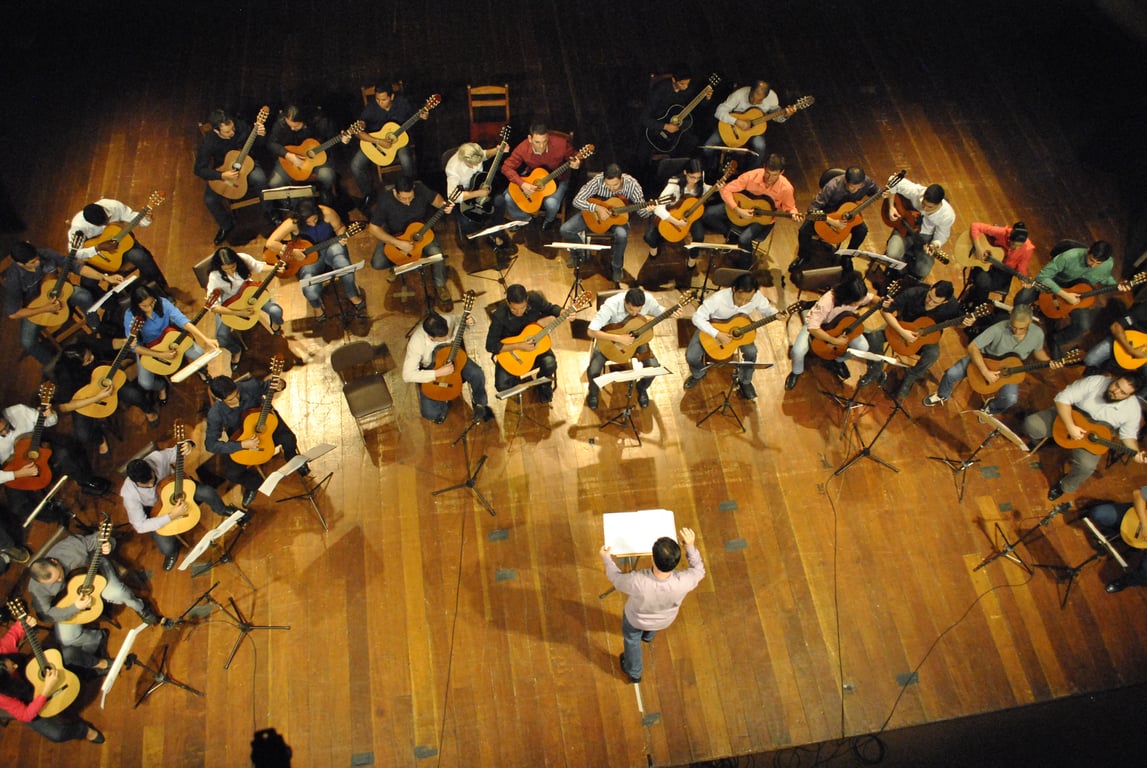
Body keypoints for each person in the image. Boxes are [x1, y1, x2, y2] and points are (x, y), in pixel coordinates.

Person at [28, 530, 163, 669]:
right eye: (54, 582)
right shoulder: (36, 588)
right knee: (66, 639)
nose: (60, 580)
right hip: (74, 601)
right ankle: (97, 637)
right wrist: (75, 607)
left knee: (117, 592)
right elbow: (46, 615)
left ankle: (141, 607)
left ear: (54, 561)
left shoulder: (71, 546)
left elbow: (102, 538)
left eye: (59, 575)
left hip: (97, 573)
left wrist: (109, 544)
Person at [599, 527, 705, 684]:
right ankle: (647, 637)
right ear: (676, 562)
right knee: (649, 630)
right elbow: (699, 570)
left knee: (632, 640)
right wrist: (690, 546)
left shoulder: (638, 581)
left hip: (636, 620)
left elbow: (616, 579)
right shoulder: (685, 581)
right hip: (664, 620)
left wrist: (607, 559)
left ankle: (634, 672)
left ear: (653, 559)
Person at [1023, 372, 1146, 500]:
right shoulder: (1095, 381)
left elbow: (1128, 435)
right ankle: (1044, 441)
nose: (1115, 392)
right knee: (1031, 425)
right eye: (1116, 385)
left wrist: (1135, 453)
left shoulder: (1133, 409)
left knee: (1086, 467)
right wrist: (1070, 426)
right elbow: (1062, 398)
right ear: (1115, 378)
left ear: (1130, 396)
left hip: (1094, 437)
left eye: (1123, 393)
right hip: (1070, 417)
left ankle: (1064, 486)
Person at [122, 442, 240, 570]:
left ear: (151, 468)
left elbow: (179, 450)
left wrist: (189, 444)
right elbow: (140, 526)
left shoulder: (157, 458)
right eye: (146, 485)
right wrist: (171, 516)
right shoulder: (129, 494)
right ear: (135, 482)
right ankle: (173, 552)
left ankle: (222, 509)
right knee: (167, 548)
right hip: (158, 509)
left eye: (152, 479)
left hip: (179, 490)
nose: (151, 485)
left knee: (207, 492)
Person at [923, 304, 1054, 413]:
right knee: (952, 373)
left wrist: (1049, 361)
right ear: (1010, 318)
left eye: (1022, 328)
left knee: (1010, 399)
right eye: (1013, 326)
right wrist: (985, 372)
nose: (1016, 331)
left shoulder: (1037, 334)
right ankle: (942, 395)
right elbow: (973, 347)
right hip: (985, 360)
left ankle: (991, 408)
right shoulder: (998, 328)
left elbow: (1038, 352)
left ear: (1030, 322)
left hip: (1010, 369)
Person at [204, 374, 307, 509]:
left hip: (264, 423)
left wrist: (281, 384)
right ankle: (254, 484)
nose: (237, 400)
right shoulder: (215, 413)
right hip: (242, 437)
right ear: (218, 399)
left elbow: (272, 385)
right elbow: (210, 445)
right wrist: (241, 444)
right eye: (231, 400)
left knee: (289, 439)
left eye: (237, 394)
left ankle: (292, 457)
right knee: (232, 474)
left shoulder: (250, 386)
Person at [1, 399, 110, 525]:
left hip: (39, 448)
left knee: (65, 454)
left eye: (6, 427)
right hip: (15, 468)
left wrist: (51, 415)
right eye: (1, 433)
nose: (6, 432)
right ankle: (56, 515)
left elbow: (50, 421)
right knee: (18, 507)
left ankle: (86, 482)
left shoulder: (19, 410)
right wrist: (18, 474)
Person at [1, 616, 104, 743]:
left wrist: (24, 622)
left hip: (32, 668)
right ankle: (85, 731)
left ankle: (98, 664)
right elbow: (25, 715)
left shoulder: (2, 652)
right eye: (12, 669)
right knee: (57, 735)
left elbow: (14, 632)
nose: (15, 666)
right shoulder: (3, 696)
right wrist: (46, 690)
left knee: (69, 653)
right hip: (27, 698)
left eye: (12, 662)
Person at [857, 280, 965, 401]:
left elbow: (959, 323)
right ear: (930, 288)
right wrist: (902, 332)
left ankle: (910, 377)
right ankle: (875, 371)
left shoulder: (952, 306)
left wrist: (965, 324)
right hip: (901, 327)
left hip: (925, 337)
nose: (929, 302)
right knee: (874, 336)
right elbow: (886, 311)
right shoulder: (913, 293)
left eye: (935, 302)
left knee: (933, 354)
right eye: (929, 297)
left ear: (945, 301)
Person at [53, 338, 160, 459]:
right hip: (86, 400)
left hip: (105, 379)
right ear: (78, 365)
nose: (93, 358)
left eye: (91, 355)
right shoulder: (64, 376)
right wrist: (97, 397)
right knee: (83, 434)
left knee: (133, 394)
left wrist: (125, 342)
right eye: (88, 360)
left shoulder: (86, 345)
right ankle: (100, 440)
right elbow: (64, 406)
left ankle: (149, 411)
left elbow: (110, 343)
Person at [1014, 240, 1118, 356]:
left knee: (1083, 326)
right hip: (1055, 285)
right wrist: (1064, 295)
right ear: (1088, 251)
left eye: (1098, 263)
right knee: (1022, 298)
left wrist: (1116, 285)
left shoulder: (1108, 264)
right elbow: (1043, 276)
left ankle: (1056, 339)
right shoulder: (1069, 256)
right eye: (1091, 260)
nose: (1092, 265)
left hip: (1078, 294)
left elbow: (1104, 277)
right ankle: (1015, 323)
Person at [4, 241, 99, 367]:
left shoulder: (46, 254)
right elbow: (13, 313)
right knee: (27, 343)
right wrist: (45, 308)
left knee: (84, 296)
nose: (37, 263)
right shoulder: (13, 278)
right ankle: (56, 367)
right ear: (20, 264)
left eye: (37, 258)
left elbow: (76, 267)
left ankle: (96, 330)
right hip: (36, 307)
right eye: (32, 262)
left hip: (60, 293)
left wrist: (103, 277)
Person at [266, 199, 366, 319]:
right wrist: (291, 251)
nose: (313, 224)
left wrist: (342, 235)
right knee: (309, 290)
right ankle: (317, 307)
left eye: (315, 220)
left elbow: (339, 228)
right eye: (308, 223)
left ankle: (352, 295)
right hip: (307, 258)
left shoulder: (327, 213)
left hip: (330, 247)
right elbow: (270, 243)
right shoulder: (292, 222)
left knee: (345, 266)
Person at [685, 273, 778, 400]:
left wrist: (777, 314)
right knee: (691, 356)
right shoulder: (717, 299)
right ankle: (698, 373)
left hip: (741, 330)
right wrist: (717, 334)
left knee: (752, 352)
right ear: (734, 289)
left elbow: (767, 311)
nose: (742, 303)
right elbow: (697, 317)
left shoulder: (757, 297)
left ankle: (745, 381)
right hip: (714, 328)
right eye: (740, 299)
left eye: (747, 301)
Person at [368, 176, 454, 308]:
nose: (408, 202)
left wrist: (444, 205)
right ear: (395, 192)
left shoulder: (420, 189)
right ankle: (397, 264)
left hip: (421, 232)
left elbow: (436, 199)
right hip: (396, 236)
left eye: (410, 198)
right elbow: (373, 228)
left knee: (437, 255)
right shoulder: (385, 201)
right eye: (403, 198)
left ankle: (440, 285)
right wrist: (397, 243)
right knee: (377, 263)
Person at [559, 163, 652, 283]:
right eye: (608, 185)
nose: (612, 188)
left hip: (618, 220)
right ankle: (578, 255)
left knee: (622, 235)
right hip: (594, 216)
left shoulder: (632, 184)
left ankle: (617, 267)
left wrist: (648, 211)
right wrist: (597, 208)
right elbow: (577, 201)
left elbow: (642, 213)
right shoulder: (598, 180)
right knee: (565, 229)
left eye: (616, 185)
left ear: (621, 178)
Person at [703, 153, 802, 264]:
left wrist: (794, 214)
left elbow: (790, 207)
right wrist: (737, 209)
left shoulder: (786, 188)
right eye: (767, 173)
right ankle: (732, 236)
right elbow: (726, 189)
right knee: (708, 215)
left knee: (744, 239)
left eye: (774, 175)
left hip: (763, 219)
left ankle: (745, 264)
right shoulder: (751, 176)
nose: (769, 178)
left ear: (781, 172)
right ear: (764, 167)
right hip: (741, 208)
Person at [124, 284, 217, 401]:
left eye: (152, 303)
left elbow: (182, 320)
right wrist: (161, 355)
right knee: (145, 383)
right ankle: (162, 386)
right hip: (149, 348)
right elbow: (134, 347)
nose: (150, 308)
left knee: (199, 354)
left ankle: (201, 370)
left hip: (170, 338)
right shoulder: (130, 316)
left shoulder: (163, 303)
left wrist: (205, 339)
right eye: (144, 306)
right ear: (137, 305)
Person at [586, 288, 674, 409]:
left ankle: (641, 388)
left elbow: (661, 312)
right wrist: (619, 338)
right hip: (610, 340)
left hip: (637, 342)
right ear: (625, 302)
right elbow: (591, 332)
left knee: (653, 368)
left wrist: (671, 312)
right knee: (593, 371)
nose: (634, 314)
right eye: (630, 309)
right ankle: (593, 393)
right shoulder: (611, 305)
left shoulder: (648, 300)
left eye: (638, 310)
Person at [194, 108, 273, 245]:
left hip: (247, 163)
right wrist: (221, 175)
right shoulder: (209, 143)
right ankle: (227, 225)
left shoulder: (240, 126)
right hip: (225, 169)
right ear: (216, 131)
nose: (232, 133)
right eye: (227, 132)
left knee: (261, 180)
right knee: (209, 200)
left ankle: (270, 212)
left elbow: (259, 144)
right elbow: (199, 170)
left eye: (232, 129)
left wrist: (261, 134)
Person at [785, 271, 875, 390]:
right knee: (797, 352)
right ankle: (796, 372)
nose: (859, 303)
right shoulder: (827, 301)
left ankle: (837, 360)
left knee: (863, 347)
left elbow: (874, 298)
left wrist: (884, 302)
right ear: (847, 296)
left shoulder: (857, 295)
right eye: (857, 301)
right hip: (819, 326)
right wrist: (834, 340)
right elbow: (813, 328)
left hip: (840, 325)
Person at [402, 312, 492, 424]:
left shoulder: (447, 319)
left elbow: (463, 321)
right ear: (431, 337)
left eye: (448, 333)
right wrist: (438, 373)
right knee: (430, 414)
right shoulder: (416, 342)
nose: (448, 337)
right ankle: (442, 405)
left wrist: (471, 322)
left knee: (477, 373)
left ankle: (480, 403)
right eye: (443, 338)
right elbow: (407, 375)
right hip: (433, 368)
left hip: (456, 357)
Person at [205, 246, 286, 368]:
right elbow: (214, 308)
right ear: (219, 266)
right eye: (226, 269)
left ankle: (275, 325)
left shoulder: (243, 258)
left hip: (250, 294)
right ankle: (236, 350)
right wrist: (239, 312)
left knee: (276, 311)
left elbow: (259, 266)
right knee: (222, 337)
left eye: (233, 267)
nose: (231, 271)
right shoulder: (214, 277)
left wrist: (276, 267)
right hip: (230, 305)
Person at [67, 199, 171, 294]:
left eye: (107, 220)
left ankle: (162, 289)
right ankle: (114, 304)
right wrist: (99, 247)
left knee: (141, 257)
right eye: (101, 224)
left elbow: (135, 219)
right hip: (99, 257)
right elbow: (75, 252)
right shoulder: (78, 227)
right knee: (87, 285)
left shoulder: (113, 206)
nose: (106, 224)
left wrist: (147, 219)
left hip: (122, 248)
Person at [485, 284, 564, 403]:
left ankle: (543, 385)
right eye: (514, 309)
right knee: (502, 386)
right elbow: (490, 345)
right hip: (511, 352)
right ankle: (517, 381)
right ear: (508, 302)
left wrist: (561, 311)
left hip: (535, 347)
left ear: (527, 299)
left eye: (522, 308)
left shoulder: (534, 299)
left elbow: (550, 308)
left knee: (550, 364)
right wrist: (519, 346)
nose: (518, 312)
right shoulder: (499, 315)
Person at [350, 80, 422, 208]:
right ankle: (369, 194)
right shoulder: (371, 107)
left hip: (399, 142)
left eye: (383, 99)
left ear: (392, 97)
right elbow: (358, 133)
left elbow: (417, 114)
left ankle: (407, 191)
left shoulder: (403, 103)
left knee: (406, 160)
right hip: (375, 144)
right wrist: (378, 141)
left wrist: (423, 115)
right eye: (377, 99)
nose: (380, 102)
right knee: (355, 165)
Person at [500, 122, 582, 231]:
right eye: (537, 142)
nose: (541, 146)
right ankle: (524, 219)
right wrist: (522, 184)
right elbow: (506, 167)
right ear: (530, 139)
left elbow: (576, 156)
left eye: (545, 141)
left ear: (548, 137)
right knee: (508, 197)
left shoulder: (561, 144)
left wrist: (577, 163)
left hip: (559, 178)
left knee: (551, 204)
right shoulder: (523, 148)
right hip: (533, 177)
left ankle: (549, 220)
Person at [703, 78, 796, 171]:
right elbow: (719, 112)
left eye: (759, 101)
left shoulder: (772, 98)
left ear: (765, 97)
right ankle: (711, 167)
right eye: (752, 97)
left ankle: (749, 172)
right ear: (750, 90)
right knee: (708, 147)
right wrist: (736, 121)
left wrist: (785, 115)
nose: (754, 102)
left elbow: (776, 116)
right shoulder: (739, 94)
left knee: (760, 148)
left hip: (755, 130)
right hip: (730, 127)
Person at [444, 141, 516, 259]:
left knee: (500, 201)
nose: (476, 166)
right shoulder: (453, 169)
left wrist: (498, 150)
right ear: (465, 160)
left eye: (478, 163)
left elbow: (485, 154)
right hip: (466, 195)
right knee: (468, 222)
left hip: (480, 186)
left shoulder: (475, 153)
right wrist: (478, 193)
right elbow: (453, 196)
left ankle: (495, 233)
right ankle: (476, 239)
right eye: (472, 164)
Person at [265, 104, 345, 201]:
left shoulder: (319, 121)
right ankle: (295, 204)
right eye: (289, 125)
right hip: (288, 160)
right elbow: (271, 143)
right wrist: (288, 155)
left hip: (316, 159)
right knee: (274, 183)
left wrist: (343, 140)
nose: (292, 129)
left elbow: (332, 139)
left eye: (296, 126)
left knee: (328, 175)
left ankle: (325, 197)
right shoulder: (281, 123)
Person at [643, 158, 711, 270]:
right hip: (672, 213)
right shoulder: (674, 185)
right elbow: (658, 208)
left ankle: (692, 260)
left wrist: (716, 188)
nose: (695, 181)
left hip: (691, 213)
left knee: (699, 236)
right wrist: (676, 222)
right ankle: (654, 250)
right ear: (685, 172)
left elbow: (705, 188)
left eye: (698, 178)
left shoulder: (700, 181)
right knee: (649, 236)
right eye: (692, 177)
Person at [883, 177, 955, 280]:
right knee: (892, 254)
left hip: (926, 237)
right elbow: (893, 180)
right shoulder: (917, 192)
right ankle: (897, 271)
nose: (924, 209)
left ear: (940, 204)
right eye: (923, 204)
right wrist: (891, 207)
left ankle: (907, 276)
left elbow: (942, 235)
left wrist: (935, 244)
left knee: (923, 270)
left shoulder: (947, 215)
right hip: (905, 229)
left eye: (930, 207)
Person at [797, 166, 879, 253]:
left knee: (862, 231)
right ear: (845, 181)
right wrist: (832, 221)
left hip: (848, 214)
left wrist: (883, 194)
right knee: (803, 231)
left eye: (859, 187)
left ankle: (847, 256)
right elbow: (811, 211)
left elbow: (876, 192)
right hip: (828, 213)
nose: (855, 190)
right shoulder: (832, 186)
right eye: (852, 187)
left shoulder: (866, 182)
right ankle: (803, 255)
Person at [638, 66, 708, 164]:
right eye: (682, 84)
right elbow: (644, 118)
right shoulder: (659, 90)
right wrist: (665, 126)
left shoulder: (689, 89)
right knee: (642, 156)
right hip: (655, 128)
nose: (685, 87)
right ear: (674, 79)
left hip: (675, 129)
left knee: (693, 143)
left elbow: (698, 104)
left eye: (687, 83)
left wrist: (706, 98)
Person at [1087, 489, 1147, 593]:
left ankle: (1127, 581)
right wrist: (1144, 524)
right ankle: (1117, 532)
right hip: (1140, 518)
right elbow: (1138, 494)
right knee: (1098, 513)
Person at [963, 221, 1035, 308]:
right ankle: (976, 308)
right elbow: (975, 225)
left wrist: (1023, 278)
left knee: (983, 283)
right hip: (985, 264)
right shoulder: (1002, 233)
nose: (1015, 248)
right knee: (982, 281)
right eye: (1013, 244)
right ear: (1009, 238)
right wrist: (978, 248)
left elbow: (1022, 266)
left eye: (1019, 246)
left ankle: (972, 300)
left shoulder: (1028, 249)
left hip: (1003, 272)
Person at [1082, 288, 1147, 373]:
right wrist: (1131, 350)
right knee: (1090, 360)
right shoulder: (1143, 309)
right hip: (1126, 341)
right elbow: (1116, 327)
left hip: (1143, 354)